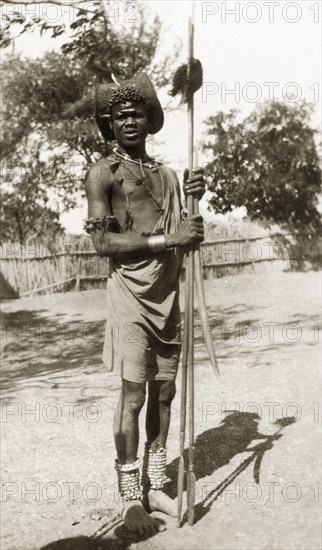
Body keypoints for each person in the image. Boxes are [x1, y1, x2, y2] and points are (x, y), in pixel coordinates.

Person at [84, 73, 205, 536]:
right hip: (132, 294)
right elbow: (103, 244)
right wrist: (168, 238)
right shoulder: (102, 173)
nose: (129, 120)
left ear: (150, 120)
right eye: (120, 115)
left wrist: (194, 201)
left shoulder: (168, 175)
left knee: (166, 391)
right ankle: (130, 496)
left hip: (168, 291)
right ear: (110, 124)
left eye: (136, 112)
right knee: (134, 392)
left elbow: (189, 234)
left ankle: (156, 484)